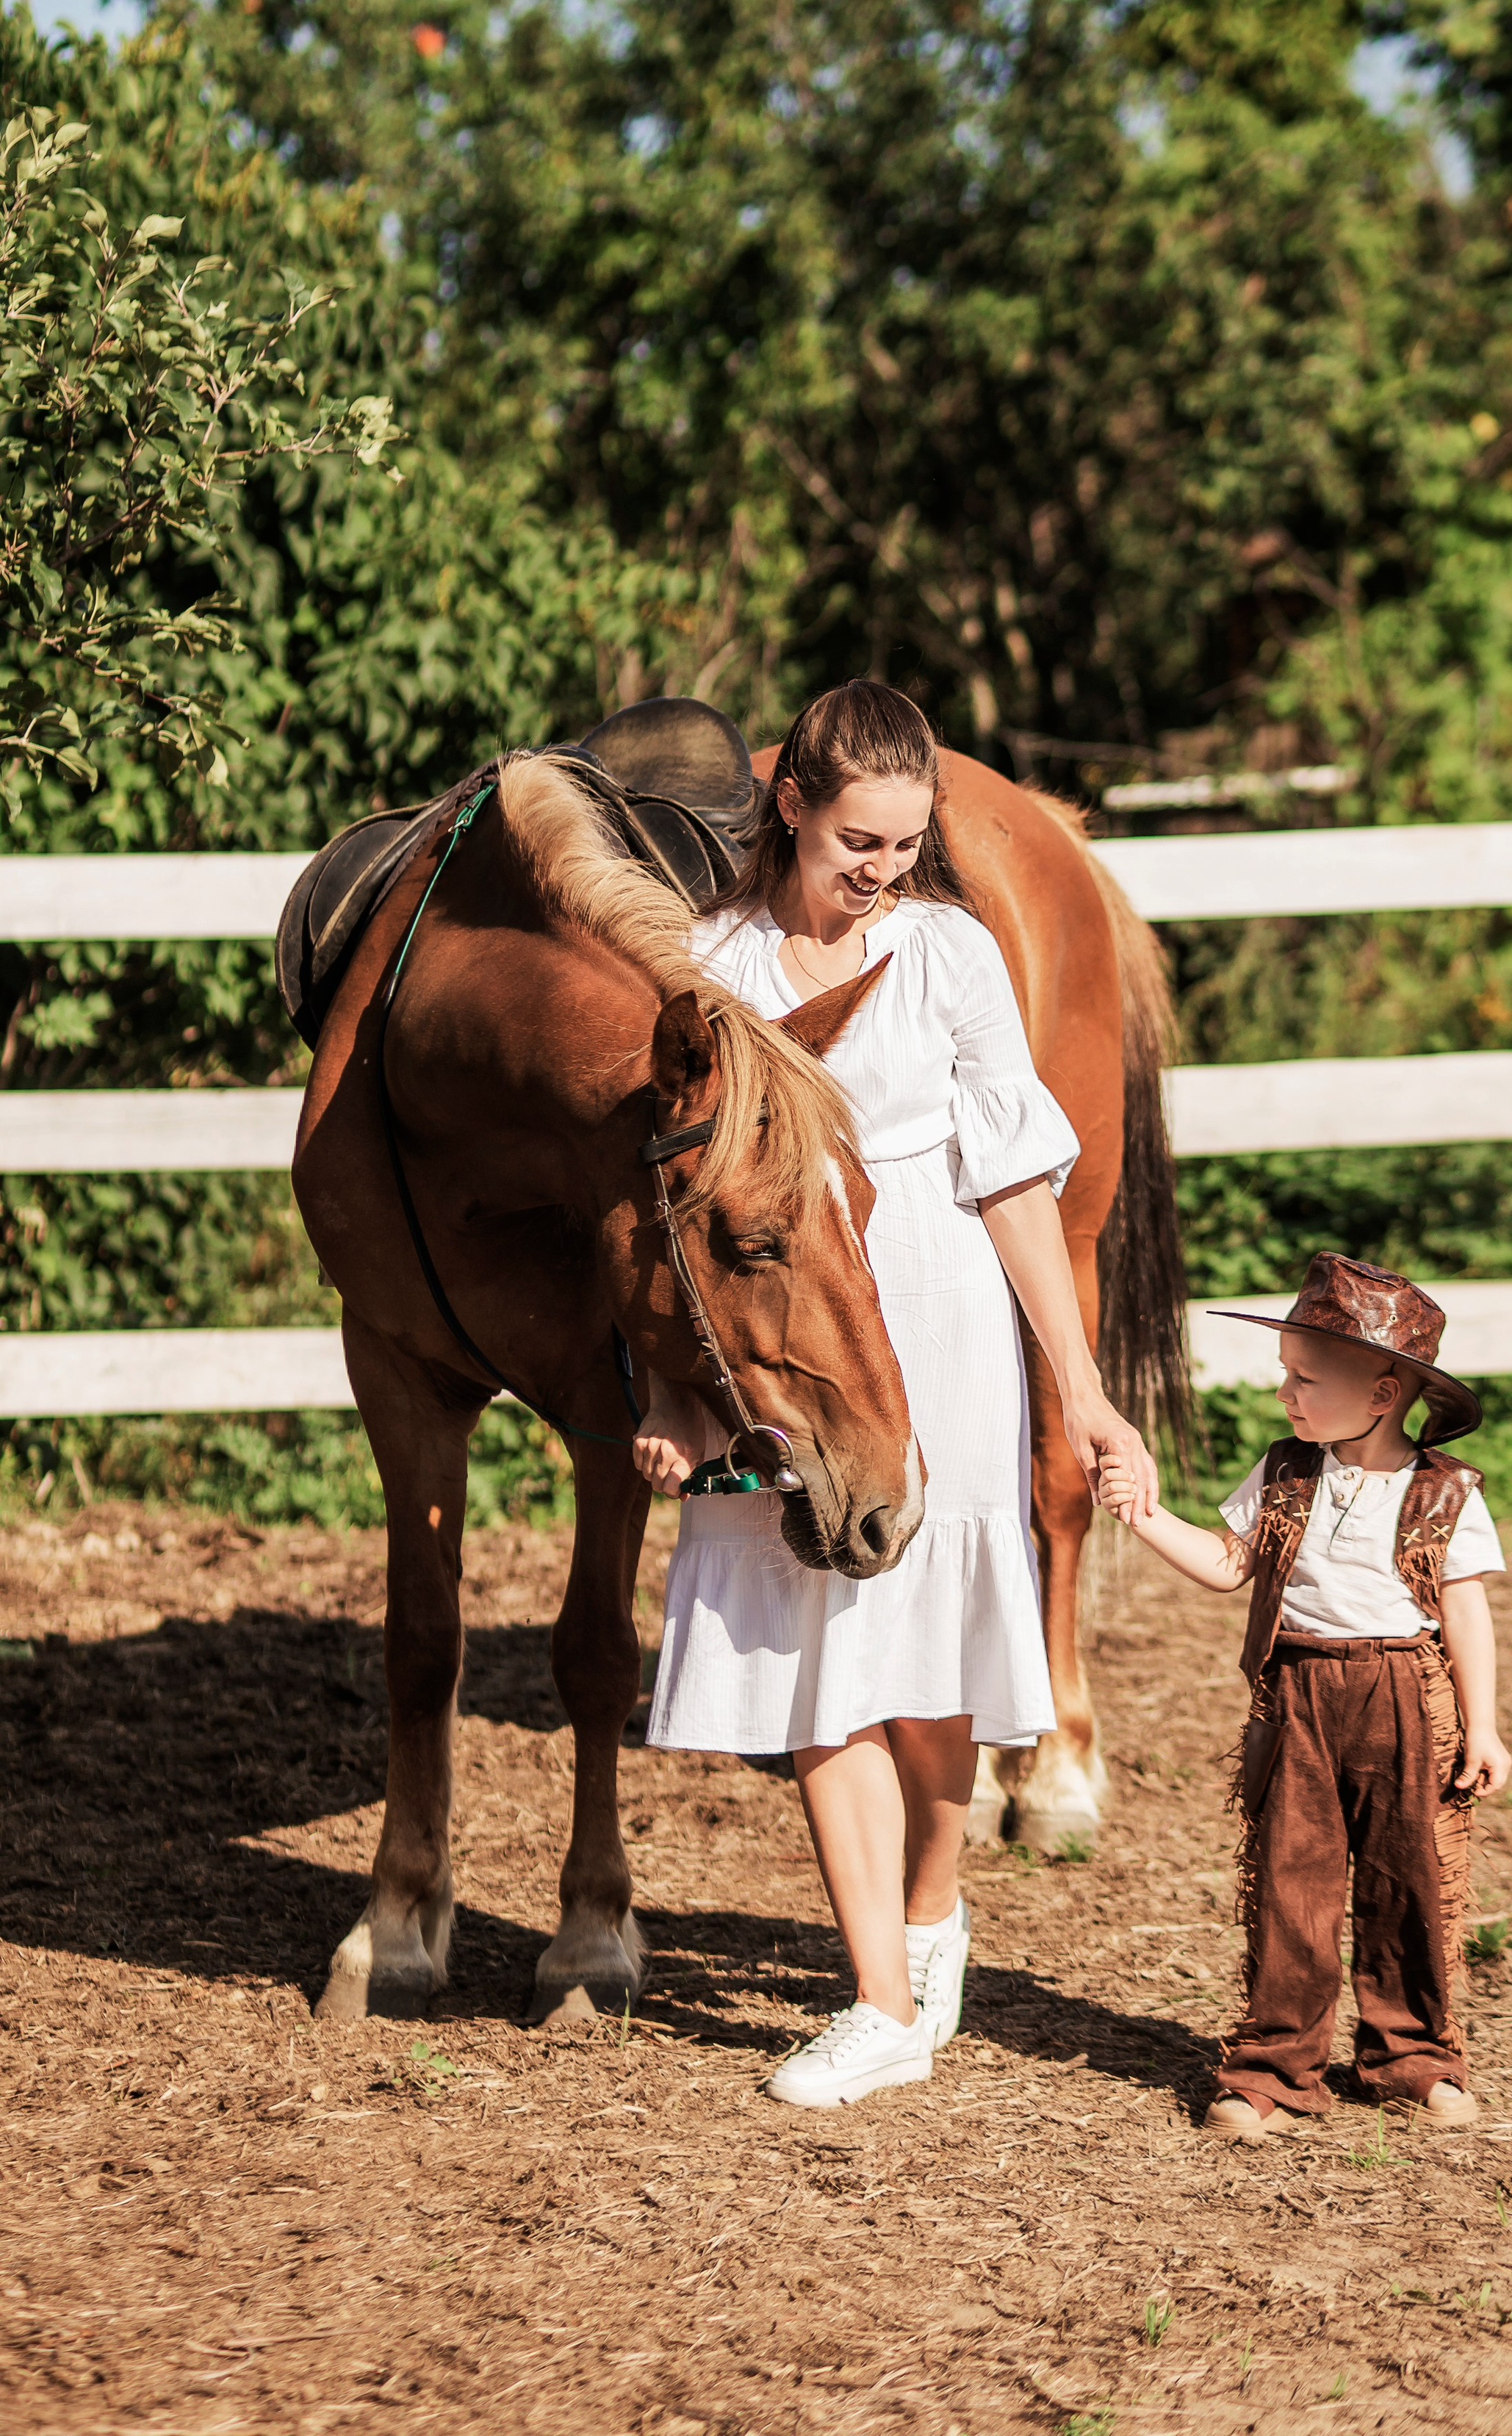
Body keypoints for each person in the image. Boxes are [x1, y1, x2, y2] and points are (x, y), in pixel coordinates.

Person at [638, 681, 1157, 2108]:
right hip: (784, 1333)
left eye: (903, 845)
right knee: (822, 1670)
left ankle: (932, 1921)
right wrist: (676, 1399)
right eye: (857, 840)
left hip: (934, 1313)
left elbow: (1010, 1189)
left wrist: (1080, 1390)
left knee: (932, 1681)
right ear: (791, 806)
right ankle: (873, 1998)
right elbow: (673, 1209)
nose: (879, 872)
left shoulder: (950, 954)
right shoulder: (708, 966)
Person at [1094, 1251, 1510, 2136]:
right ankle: (1273, 2072)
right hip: (1298, 1695)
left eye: (1304, 1379)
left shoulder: (1445, 1494)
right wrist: (1142, 1513)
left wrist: (1484, 1728)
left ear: (1382, 1393)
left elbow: (1465, 1613)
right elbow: (1226, 1564)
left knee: (1411, 1884)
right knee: (1293, 1886)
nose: (1286, 1395)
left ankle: (1412, 2058)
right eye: (1286, 1375)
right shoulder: (1286, 1472)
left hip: (1402, 1693)